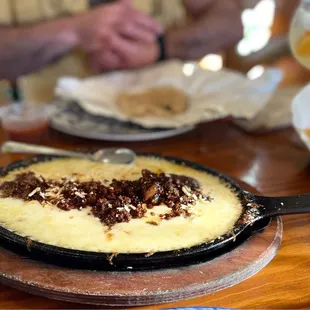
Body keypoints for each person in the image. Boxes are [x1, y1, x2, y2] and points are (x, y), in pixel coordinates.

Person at [0, 0, 243, 103]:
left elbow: (230, 24)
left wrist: (160, 47)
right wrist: (73, 31)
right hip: (45, 129)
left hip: (168, 122)